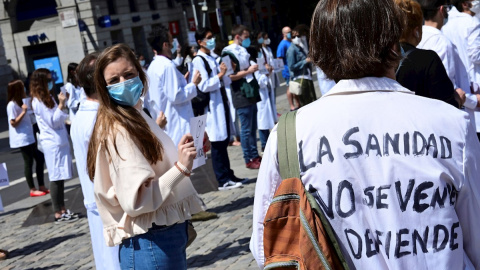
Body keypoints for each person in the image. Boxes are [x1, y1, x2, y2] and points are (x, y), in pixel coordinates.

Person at [251, 0, 480, 269]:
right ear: (394, 43)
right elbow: (475, 236)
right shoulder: (452, 123)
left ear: (320, 49)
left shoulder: (288, 135)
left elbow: (265, 245)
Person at [86, 43, 204, 269]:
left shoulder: (137, 114)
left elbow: (155, 163)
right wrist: (180, 168)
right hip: (150, 241)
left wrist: (184, 151)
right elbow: (136, 200)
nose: (123, 83)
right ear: (104, 87)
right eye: (113, 80)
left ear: (140, 74)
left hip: (161, 236)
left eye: (128, 75)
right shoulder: (119, 127)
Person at [70, 52, 121, 270]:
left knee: (107, 259)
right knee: (115, 260)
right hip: (109, 200)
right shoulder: (96, 118)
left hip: (98, 200)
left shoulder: (87, 113)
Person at [192, 27, 244, 190]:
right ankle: (221, 179)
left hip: (221, 103)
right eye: (208, 37)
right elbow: (204, 85)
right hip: (211, 107)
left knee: (223, 141)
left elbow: (222, 79)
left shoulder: (211, 57)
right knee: (217, 143)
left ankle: (228, 173)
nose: (212, 40)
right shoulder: (198, 60)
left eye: (212, 36)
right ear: (200, 42)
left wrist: (229, 71)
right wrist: (220, 75)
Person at [30, 68, 78, 224]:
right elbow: (52, 121)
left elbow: (56, 118)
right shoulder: (37, 101)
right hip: (52, 142)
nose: (51, 82)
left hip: (59, 140)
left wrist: (62, 106)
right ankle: (58, 212)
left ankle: (62, 209)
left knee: (61, 176)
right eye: (48, 80)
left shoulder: (47, 97)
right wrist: (61, 104)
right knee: (56, 176)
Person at [395, 0, 463, 107]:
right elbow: (447, 105)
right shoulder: (428, 59)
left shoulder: (381, 59)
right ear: (416, 31)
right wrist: (458, 100)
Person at [146, 28, 201, 146]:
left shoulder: (153, 66)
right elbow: (176, 96)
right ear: (165, 45)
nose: (174, 45)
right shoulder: (167, 66)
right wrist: (194, 84)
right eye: (172, 42)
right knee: (186, 160)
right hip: (177, 125)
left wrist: (183, 83)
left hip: (167, 124)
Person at [222, 25, 262, 169]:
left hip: (250, 90)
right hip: (240, 93)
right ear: (237, 37)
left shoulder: (243, 50)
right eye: (245, 37)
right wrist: (248, 71)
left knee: (252, 127)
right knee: (245, 129)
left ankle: (255, 154)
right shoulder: (227, 52)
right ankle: (248, 158)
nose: (247, 40)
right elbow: (230, 76)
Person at [443, 0, 480, 140]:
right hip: (474, 89)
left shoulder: (447, 24)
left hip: (460, 88)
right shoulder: (473, 23)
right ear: (465, 4)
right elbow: (475, 55)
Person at [6, 80, 47, 197]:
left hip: (30, 135)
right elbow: (13, 122)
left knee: (39, 158)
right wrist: (23, 112)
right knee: (28, 162)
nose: (25, 90)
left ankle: (41, 185)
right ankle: (32, 189)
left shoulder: (23, 102)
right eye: (22, 88)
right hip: (22, 138)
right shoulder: (12, 105)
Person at [247, 45, 276, 152]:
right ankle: (265, 144)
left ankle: (267, 142)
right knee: (263, 121)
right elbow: (260, 82)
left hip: (264, 94)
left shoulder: (256, 64)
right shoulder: (253, 65)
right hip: (260, 95)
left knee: (265, 120)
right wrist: (267, 74)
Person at [286, 27, 317, 107]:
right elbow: (292, 66)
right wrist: (305, 61)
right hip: (300, 79)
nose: (297, 38)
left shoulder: (300, 47)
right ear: (290, 38)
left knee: (313, 101)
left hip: (307, 77)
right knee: (306, 103)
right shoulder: (291, 50)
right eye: (294, 37)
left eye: (298, 36)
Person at [277, 26, 300, 111]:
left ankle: (298, 103)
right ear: (283, 34)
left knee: (295, 87)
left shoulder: (290, 41)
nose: (290, 33)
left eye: (290, 31)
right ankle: (292, 106)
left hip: (293, 69)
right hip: (287, 70)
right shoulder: (282, 44)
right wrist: (285, 69)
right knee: (290, 88)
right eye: (288, 32)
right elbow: (279, 58)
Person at [258, 31, 279, 123]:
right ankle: (271, 118)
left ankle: (274, 116)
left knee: (273, 96)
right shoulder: (260, 51)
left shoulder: (269, 49)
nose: (267, 40)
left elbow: (271, 60)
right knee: (268, 97)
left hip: (272, 74)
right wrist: (266, 66)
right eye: (265, 38)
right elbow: (261, 63)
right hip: (266, 77)